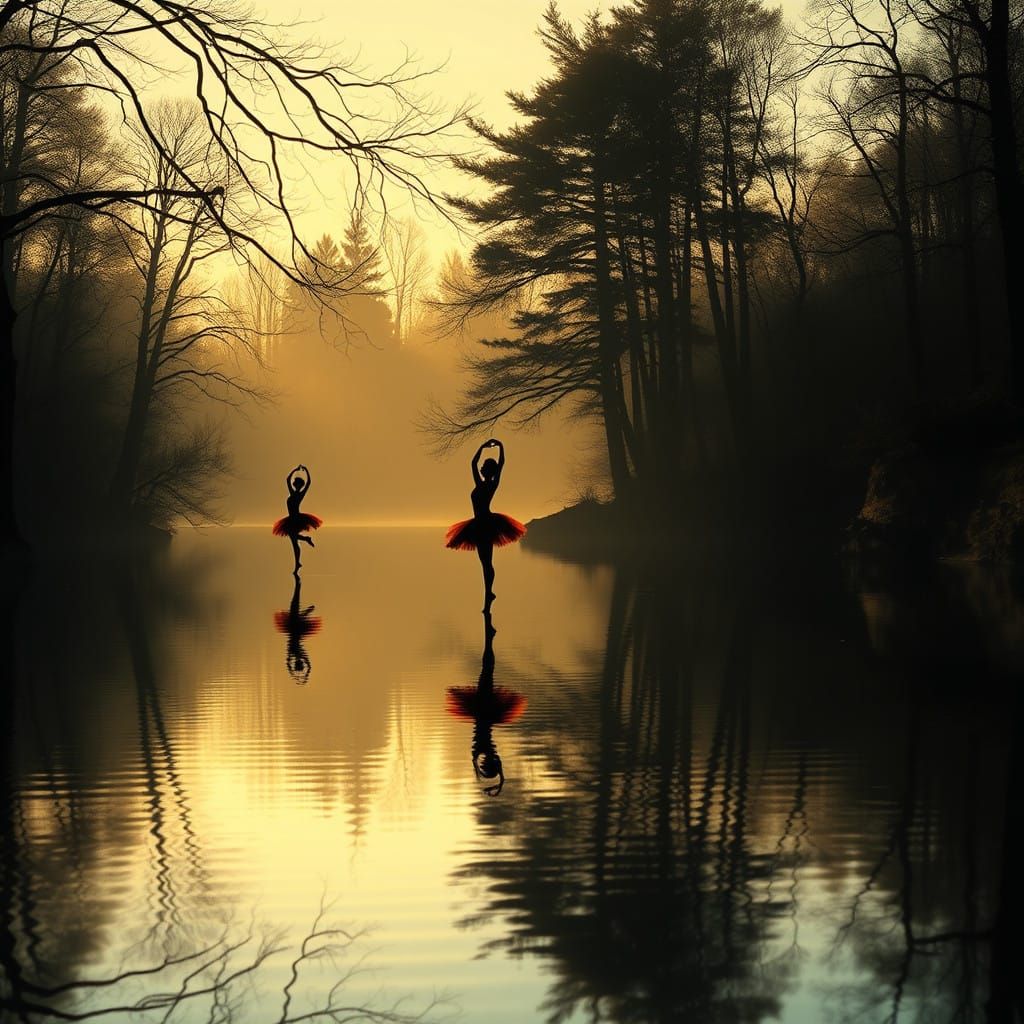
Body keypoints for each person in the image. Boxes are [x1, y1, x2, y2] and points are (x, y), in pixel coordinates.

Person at [446, 610, 526, 797]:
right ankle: (489, 636)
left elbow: (490, 764)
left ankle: (489, 636)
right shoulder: (482, 750)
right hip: (484, 710)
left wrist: (496, 783)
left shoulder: (483, 750)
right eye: (484, 765)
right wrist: (495, 785)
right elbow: (484, 763)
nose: (482, 763)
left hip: (485, 710)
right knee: (487, 671)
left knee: (487, 671)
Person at [445, 439, 526, 610]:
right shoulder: (481, 484)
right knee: (485, 562)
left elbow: (499, 463)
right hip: (479, 524)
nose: (482, 469)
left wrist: (498, 446)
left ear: (489, 471)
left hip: (486, 525)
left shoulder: (491, 485)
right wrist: (487, 446)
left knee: (487, 562)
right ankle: (488, 593)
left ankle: (488, 593)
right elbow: (472, 463)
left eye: (486, 468)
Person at [272, 464, 322, 574]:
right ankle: (303, 546)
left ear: (300, 486)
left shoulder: (300, 495)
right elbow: (287, 479)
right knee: (294, 542)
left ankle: (297, 564)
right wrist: (295, 470)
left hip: (296, 519)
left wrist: (307, 470)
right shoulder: (292, 493)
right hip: (290, 520)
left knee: (294, 542)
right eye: (296, 484)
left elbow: (309, 483)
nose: (296, 486)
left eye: (298, 485)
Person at [273, 574, 321, 684]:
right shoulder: (298, 653)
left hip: (293, 627)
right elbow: (308, 664)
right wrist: (303, 676)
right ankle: (297, 581)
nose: (300, 662)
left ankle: (297, 581)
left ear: (297, 663)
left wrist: (298, 676)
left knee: (295, 602)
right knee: (295, 602)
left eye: (299, 664)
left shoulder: (293, 653)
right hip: (295, 627)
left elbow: (296, 664)